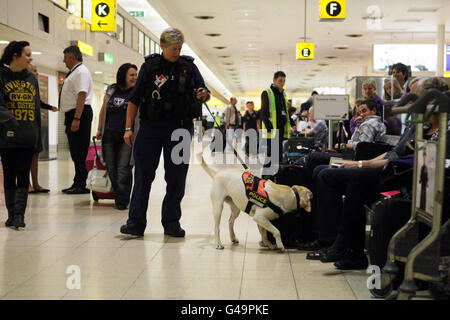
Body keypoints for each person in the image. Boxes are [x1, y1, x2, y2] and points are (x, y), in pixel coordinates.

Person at [308, 76, 448, 270]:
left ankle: (342, 245)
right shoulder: (419, 125)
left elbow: (412, 160)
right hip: (391, 170)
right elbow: (394, 152)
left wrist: (361, 165)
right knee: (337, 176)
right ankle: (340, 244)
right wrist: (362, 164)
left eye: (420, 98)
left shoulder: (443, 129)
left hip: (407, 177)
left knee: (345, 179)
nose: (416, 103)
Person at [120, 27, 210, 237]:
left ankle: (171, 222)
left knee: (177, 178)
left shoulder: (188, 67)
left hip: (180, 129)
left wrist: (203, 94)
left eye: (179, 48)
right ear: (162, 45)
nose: (177, 52)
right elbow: (134, 100)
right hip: (150, 128)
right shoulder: (150, 67)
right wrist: (127, 128)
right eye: (173, 48)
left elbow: (205, 94)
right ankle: (135, 223)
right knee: (143, 176)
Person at [0, 41, 41, 229]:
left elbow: (36, 108)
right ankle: (10, 214)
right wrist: (12, 121)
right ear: (15, 55)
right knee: (9, 175)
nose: (31, 58)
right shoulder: (1, 76)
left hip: (27, 136)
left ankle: (19, 215)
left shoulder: (32, 79)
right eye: (27, 54)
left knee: (23, 175)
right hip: (7, 137)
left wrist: (37, 135)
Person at [96, 63, 138, 210]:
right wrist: (100, 129)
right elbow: (103, 110)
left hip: (127, 136)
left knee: (123, 167)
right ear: (123, 76)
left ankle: (122, 199)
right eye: (131, 75)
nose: (135, 77)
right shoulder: (111, 90)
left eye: (135, 74)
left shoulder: (136, 92)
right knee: (111, 166)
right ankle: (119, 193)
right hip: (109, 134)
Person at [59, 45, 93, 194]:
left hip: (79, 113)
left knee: (79, 150)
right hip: (73, 114)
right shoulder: (74, 72)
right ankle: (77, 181)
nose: (63, 60)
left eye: (65, 57)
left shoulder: (81, 72)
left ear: (72, 57)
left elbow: (82, 95)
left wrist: (77, 118)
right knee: (75, 151)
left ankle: (81, 183)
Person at [27, 64, 58, 194]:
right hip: (26, 125)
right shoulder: (23, 86)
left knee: (35, 155)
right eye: (34, 70)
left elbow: (38, 102)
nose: (37, 73)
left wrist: (50, 107)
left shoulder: (34, 85)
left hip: (36, 124)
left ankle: (36, 183)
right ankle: (26, 184)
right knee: (26, 156)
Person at [260, 71, 291, 178]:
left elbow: (285, 112)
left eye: (283, 81)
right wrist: (269, 127)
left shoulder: (283, 94)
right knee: (271, 155)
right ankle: (264, 179)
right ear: (274, 80)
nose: (282, 83)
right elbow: (263, 112)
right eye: (280, 81)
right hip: (271, 130)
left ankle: (274, 178)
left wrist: (290, 124)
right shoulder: (267, 93)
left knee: (277, 156)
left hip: (281, 129)